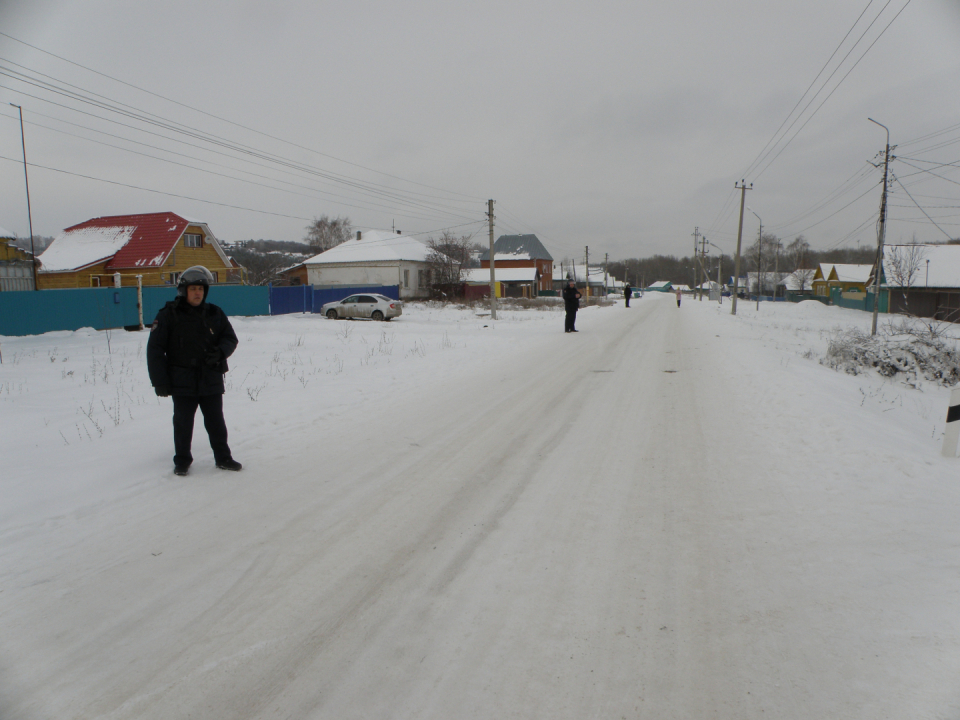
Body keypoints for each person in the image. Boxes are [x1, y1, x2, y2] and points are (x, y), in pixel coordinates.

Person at [147, 266, 241, 476]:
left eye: (201, 288)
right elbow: (155, 350)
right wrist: (159, 381)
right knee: (182, 423)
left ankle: (223, 457)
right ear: (184, 290)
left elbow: (230, 338)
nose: (197, 292)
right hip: (182, 379)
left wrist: (220, 353)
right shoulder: (168, 315)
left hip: (211, 377)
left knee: (216, 421)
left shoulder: (214, 313)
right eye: (193, 289)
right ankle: (182, 461)